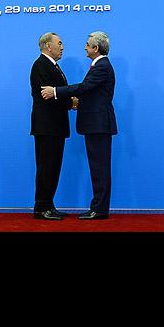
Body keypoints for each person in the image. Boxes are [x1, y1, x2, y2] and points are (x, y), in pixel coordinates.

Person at [41, 31, 117, 220]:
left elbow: (84, 88)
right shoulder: (99, 65)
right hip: (96, 125)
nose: (85, 47)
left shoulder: (102, 66)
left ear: (96, 48)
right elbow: (89, 92)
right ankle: (98, 207)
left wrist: (56, 91)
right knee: (97, 167)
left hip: (98, 125)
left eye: (87, 44)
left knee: (100, 168)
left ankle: (99, 210)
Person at [30, 32, 77, 220]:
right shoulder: (40, 65)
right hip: (47, 127)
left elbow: (56, 93)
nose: (63, 47)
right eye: (59, 43)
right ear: (48, 46)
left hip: (55, 127)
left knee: (53, 167)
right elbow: (47, 96)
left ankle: (49, 204)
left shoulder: (54, 66)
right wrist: (70, 103)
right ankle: (41, 208)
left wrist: (68, 100)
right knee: (46, 167)